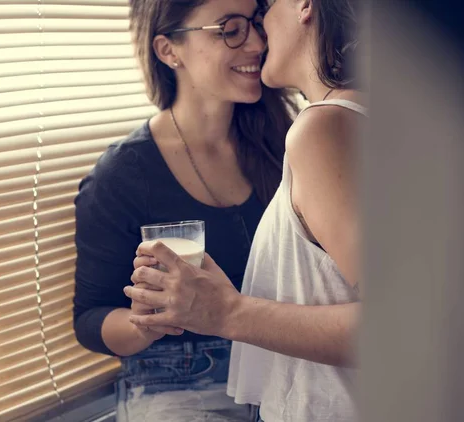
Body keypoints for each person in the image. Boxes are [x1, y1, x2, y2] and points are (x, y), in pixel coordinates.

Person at [125, 0, 366, 421]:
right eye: (235, 27)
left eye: (262, 12)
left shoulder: (322, 129)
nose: (257, 37)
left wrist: (226, 313)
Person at [73, 0, 297, 420]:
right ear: (168, 50)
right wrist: (146, 321)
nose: (256, 42)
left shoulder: (287, 141)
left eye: (256, 21)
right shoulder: (120, 175)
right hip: (179, 380)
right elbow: (90, 319)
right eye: (230, 28)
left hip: (281, 361)